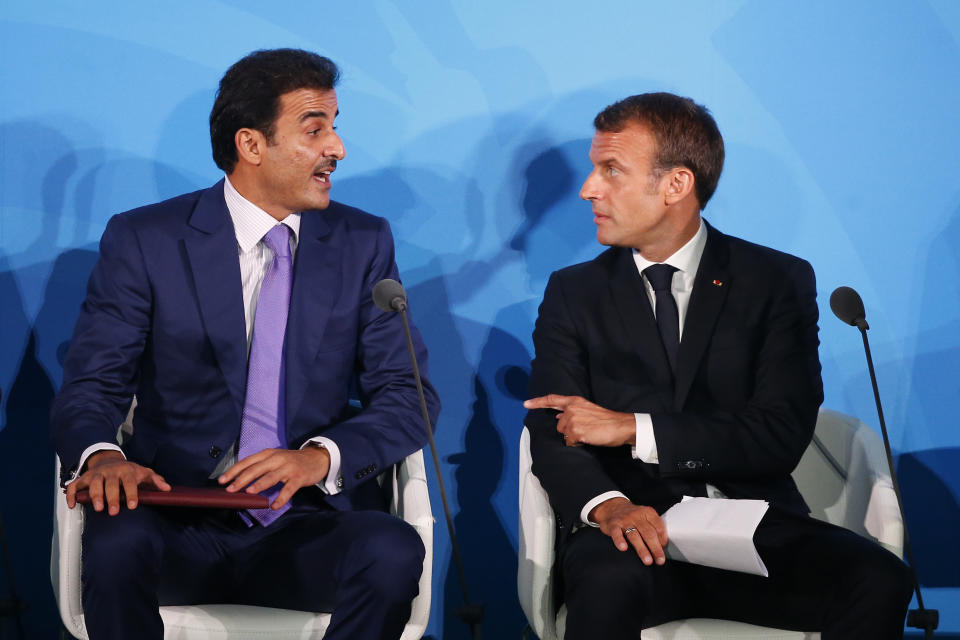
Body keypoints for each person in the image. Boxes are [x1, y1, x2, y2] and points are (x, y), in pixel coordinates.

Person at [51, 48, 439, 640]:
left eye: (335, 128)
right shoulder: (146, 239)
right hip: (176, 516)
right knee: (116, 542)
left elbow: (407, 394)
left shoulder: (362, 242)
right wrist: (104, 457)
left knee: (390, 550)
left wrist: (318, 458)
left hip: (304, 529)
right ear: (251, 145)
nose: (337, 149)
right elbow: (92, 384)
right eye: (316, 130)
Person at [523, 92, 912, 639]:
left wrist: (633, 428)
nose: (589, 187)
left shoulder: (776, 282)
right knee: (604, 585)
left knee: (879, 578)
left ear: (676, 185)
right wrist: (607, 506)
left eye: (611, 170)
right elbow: (550, 426)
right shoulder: (574, 292)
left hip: (755, 530)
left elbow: (779, 433)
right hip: (630, 533)